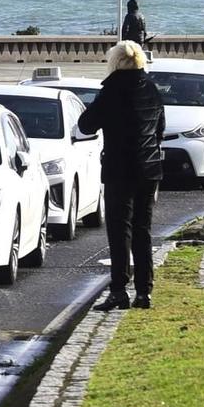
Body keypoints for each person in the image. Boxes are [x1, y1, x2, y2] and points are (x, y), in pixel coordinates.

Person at [77, 39, 165, 310]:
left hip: (119, 169)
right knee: (142, 229)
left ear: (115, 62)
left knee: (119, 231)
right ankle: (144, 292)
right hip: (149, 168)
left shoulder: (112, 90)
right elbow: (160, 127)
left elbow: (86, 124)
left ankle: (119, 290)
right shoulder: (151, 89)